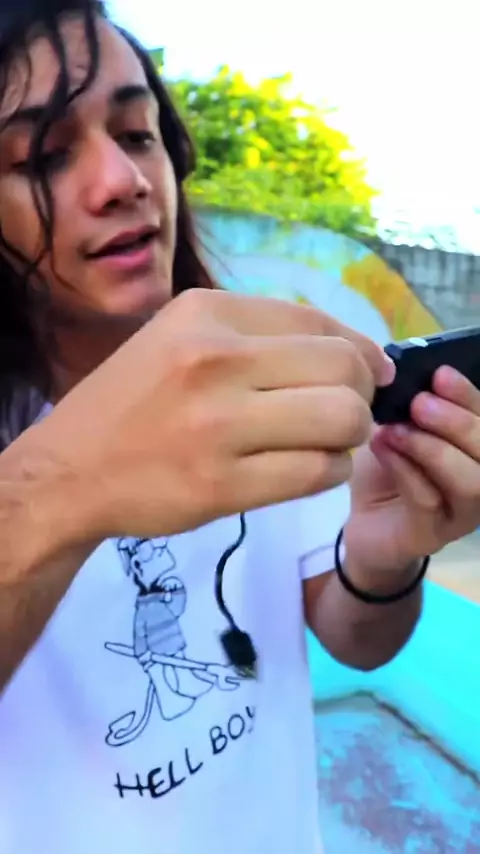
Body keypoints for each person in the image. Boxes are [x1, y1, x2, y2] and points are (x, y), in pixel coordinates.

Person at [1, 1, 480, 852]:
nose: (123, 180)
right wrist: (55, 491)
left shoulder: (253, 373)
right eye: (44, 155)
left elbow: (354, 636)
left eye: (138, 133)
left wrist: (385, 554)